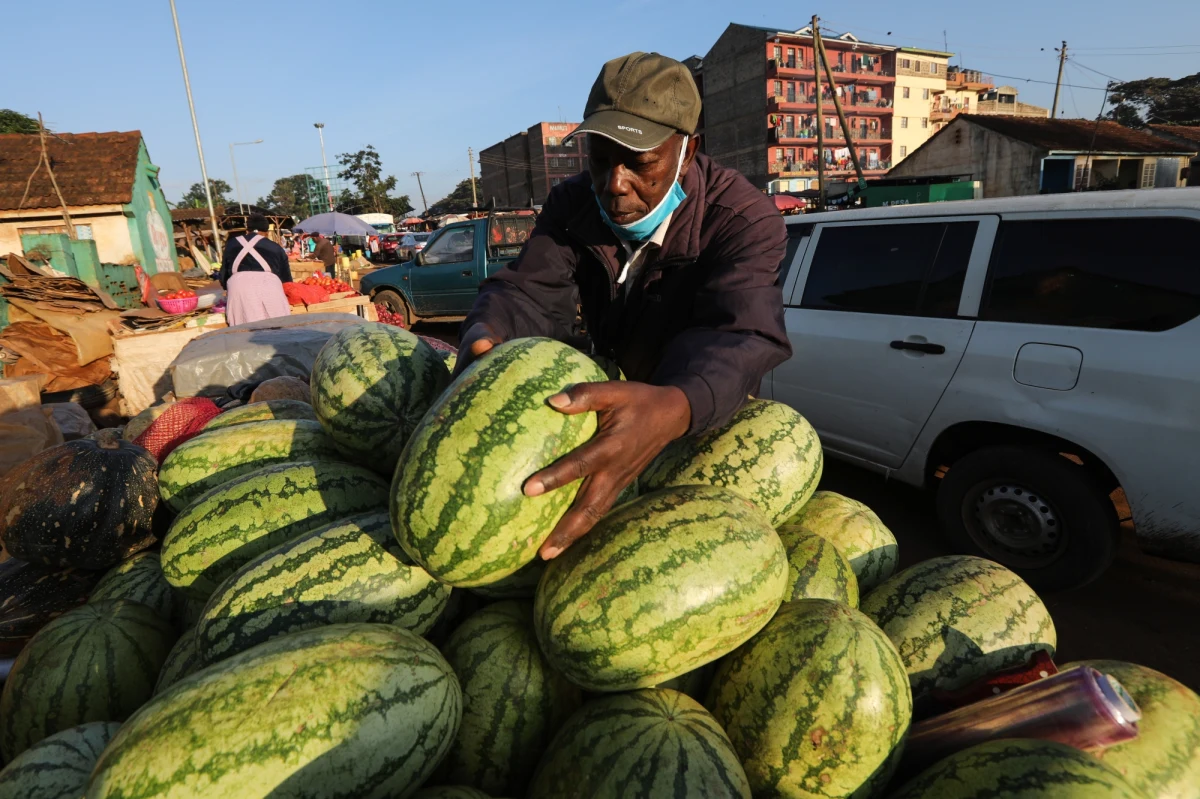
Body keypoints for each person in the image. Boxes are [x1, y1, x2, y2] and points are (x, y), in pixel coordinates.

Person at [455, 52, 790, 559]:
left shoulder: (743, 219)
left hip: (693, 423)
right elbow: (529, 289)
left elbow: (741, 335)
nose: (614, 184)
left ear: (687, 147)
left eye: (639, 161)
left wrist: (678, 404)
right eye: (599, 158)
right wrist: (489, 328)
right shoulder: (573, 204)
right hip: (610, 406)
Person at [219, 214, 293, 326]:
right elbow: (286, 280)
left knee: (242, 330)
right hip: (270, 287)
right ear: (267, 232)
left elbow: (223, 275)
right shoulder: (275, 247)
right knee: (278, 328)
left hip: (239, 289)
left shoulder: (231, 244)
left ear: (247, 230)